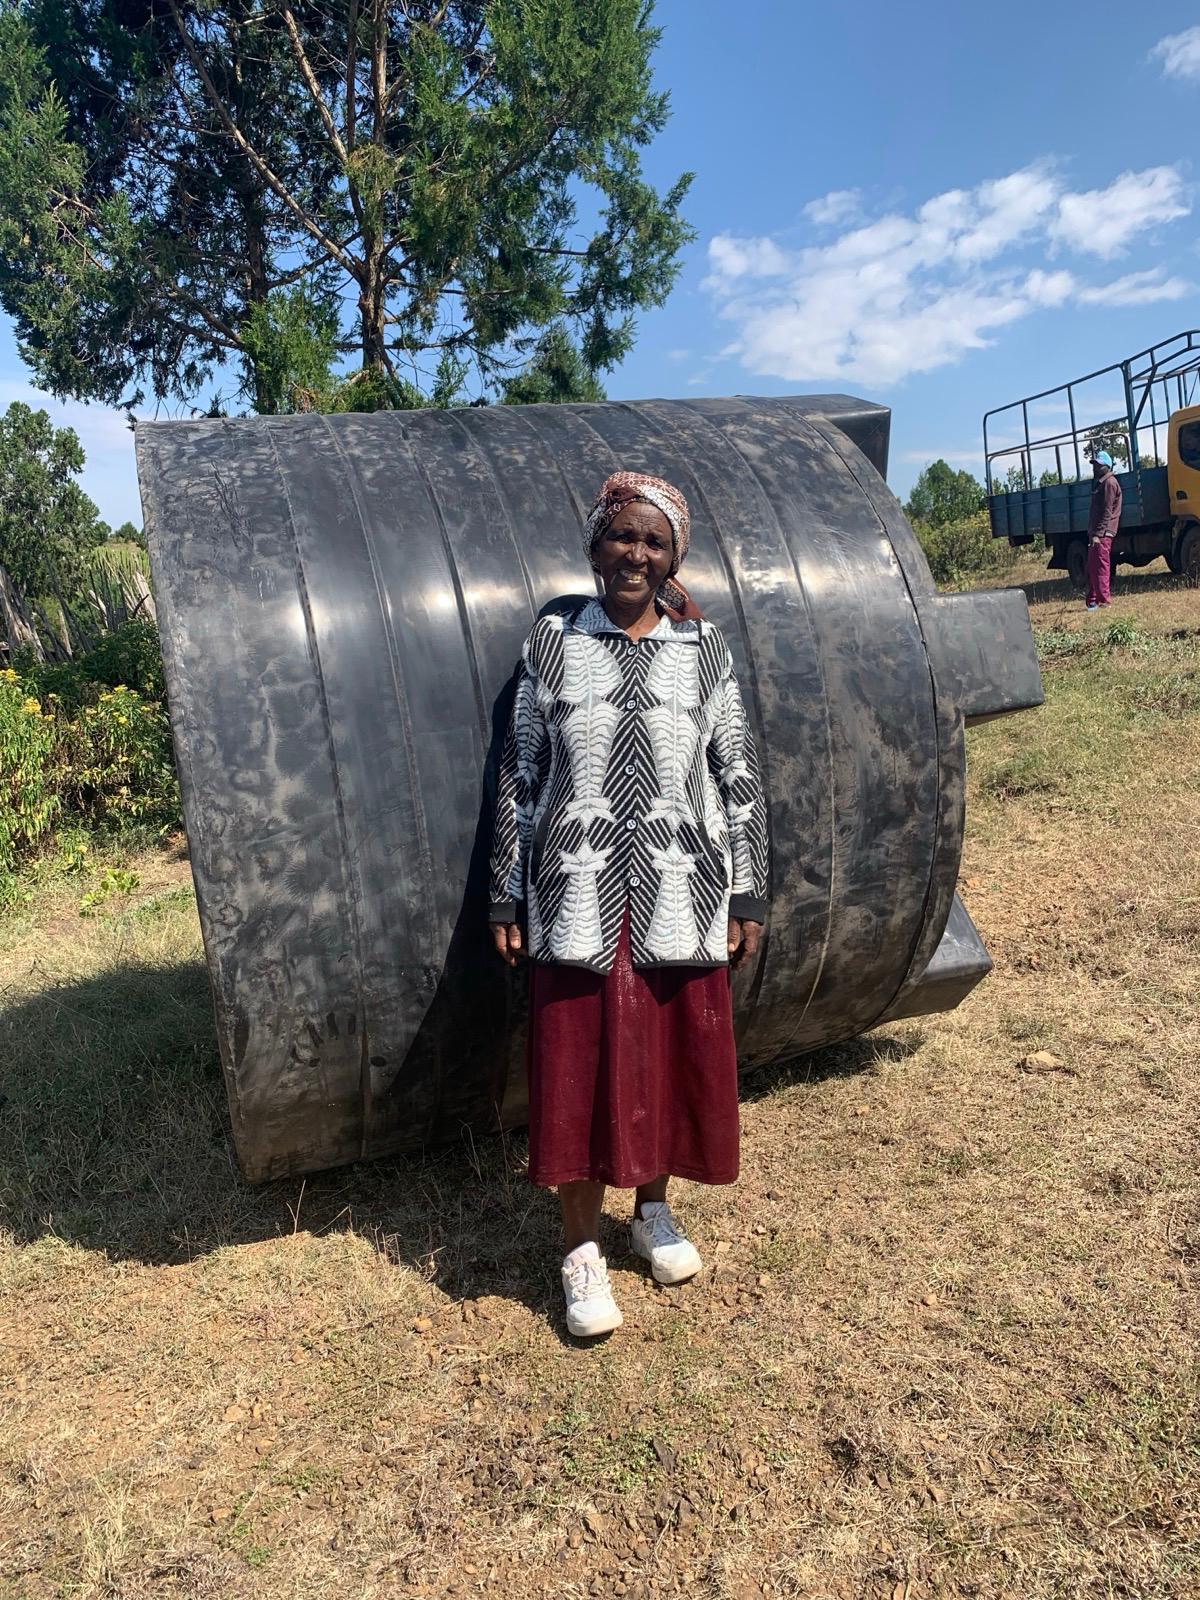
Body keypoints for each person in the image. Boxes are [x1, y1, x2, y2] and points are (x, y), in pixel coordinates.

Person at [488, 471, 770, 1339]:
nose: (635, 556)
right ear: (594, 546)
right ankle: (580, 1250)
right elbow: (522, 770)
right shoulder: (553, 640)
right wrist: (507, 885)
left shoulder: (704, 648)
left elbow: (736, 774)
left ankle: (651, 1210)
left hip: (681, 887)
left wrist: (747, 885)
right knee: (577, 1073)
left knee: (668, 1057)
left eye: (653, 542)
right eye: (622, 537)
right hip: (574, 890)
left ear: (673, 555)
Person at [1086, 450, 1122, 609]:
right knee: (1092, 567)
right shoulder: (1102, 483)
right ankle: (1093, 601)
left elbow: (1107, 511)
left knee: (1101, 566)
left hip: (1102, 534)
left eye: (1099, 465)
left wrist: (1098, 535)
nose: (1095, 468)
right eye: (1094, 465)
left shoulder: (1109, 483)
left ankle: (1104, 601)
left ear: (1107, 466)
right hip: (1097, 533)